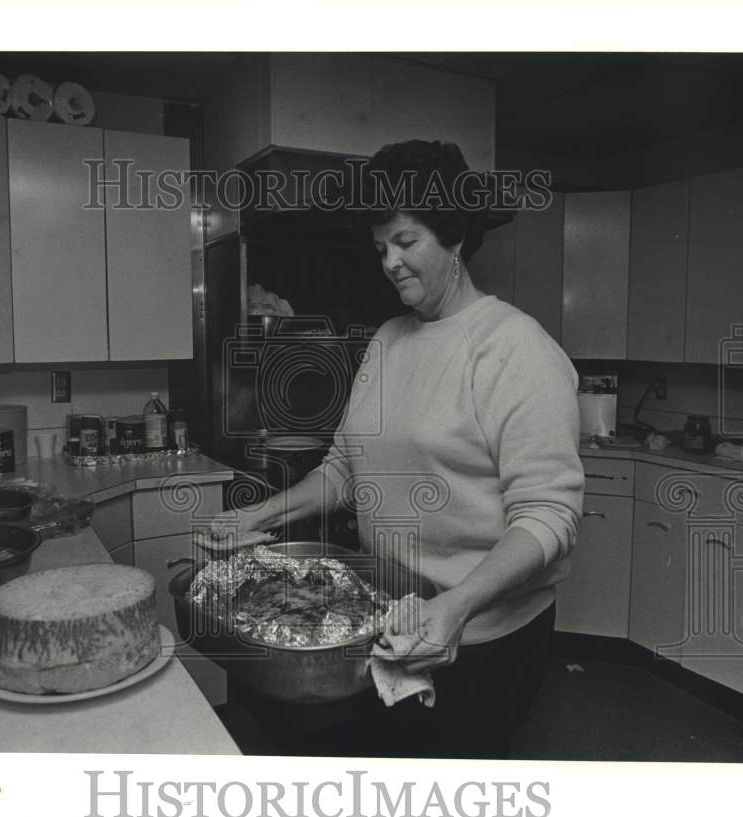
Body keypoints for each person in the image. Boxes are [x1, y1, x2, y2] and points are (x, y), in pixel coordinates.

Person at [201, 139, 584, 759]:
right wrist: (257, 515)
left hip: (483, 636)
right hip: (392, 617)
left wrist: (457, 606)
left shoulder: (515, 350)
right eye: (382, 248)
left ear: (455, 238)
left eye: (407, 242)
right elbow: (346, 468)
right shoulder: (388, 339)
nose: (390, 263)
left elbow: (549, 517)